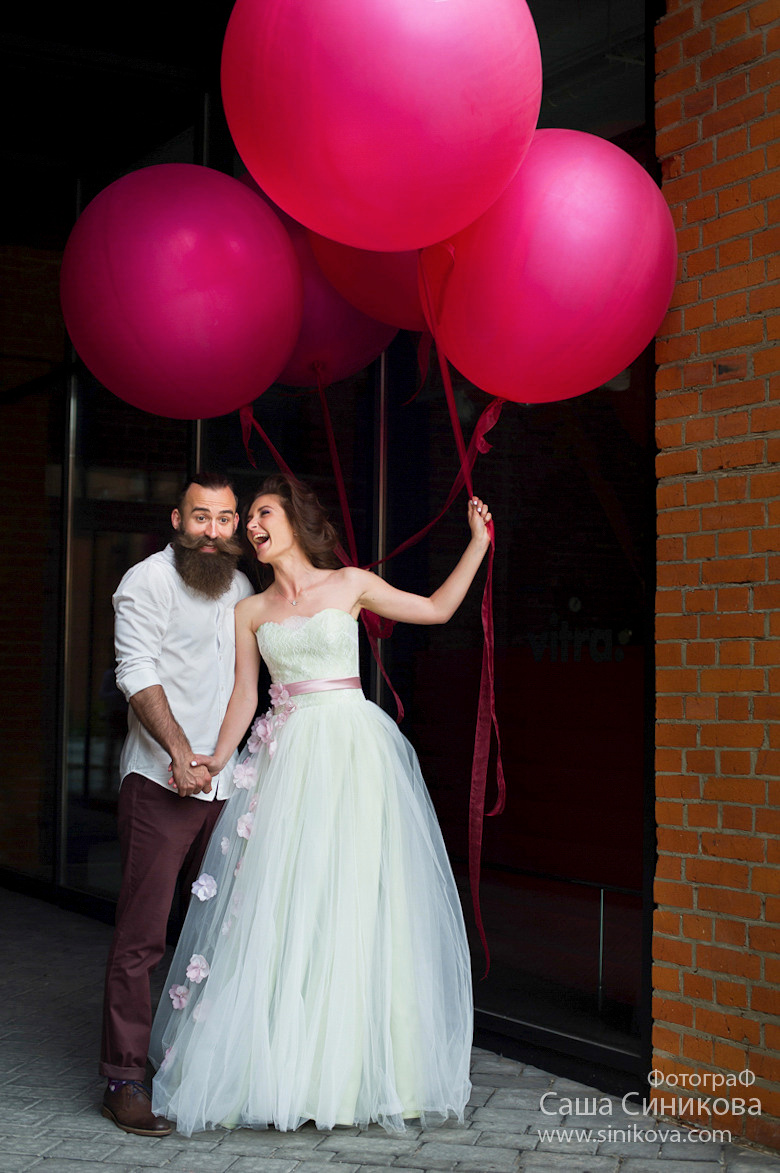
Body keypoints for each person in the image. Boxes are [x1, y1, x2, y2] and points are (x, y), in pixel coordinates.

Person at [149, 473, 493, 1136]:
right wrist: (218, 759)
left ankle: (360, 1072)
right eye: (247, 517)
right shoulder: (249, 611)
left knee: (356, 900)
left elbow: (438, 609)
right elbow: (245, 697)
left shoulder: (351, 583)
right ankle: (289, 1071)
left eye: (263, 512)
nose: (252, 524)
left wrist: (477, 542)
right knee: (288, 904)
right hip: (287, 761)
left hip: (354, 754)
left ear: (294, 519)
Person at [100, 473, 253, 1138]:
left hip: (227, 790)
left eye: (224, 519)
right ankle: (124, 1077)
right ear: (177, 518)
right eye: (201, 517)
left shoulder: (243, 588)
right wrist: (181, 753)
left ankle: (192, 1067)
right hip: (162, 787)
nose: (213, 531)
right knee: (144, 939)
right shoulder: (147, 582)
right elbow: (136, 671)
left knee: (216, 937)